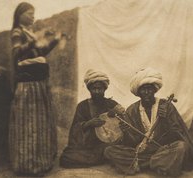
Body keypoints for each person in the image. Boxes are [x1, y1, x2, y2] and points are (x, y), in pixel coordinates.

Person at [104, 67, 193, 176]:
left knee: (181, 147)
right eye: (143, 89)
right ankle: (157, 163)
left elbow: (176, 134)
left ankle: (144, 164)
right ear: (138, 92)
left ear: (155, 90)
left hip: (162, 149)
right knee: (110, 150)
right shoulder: (132, 110)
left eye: (149, 89)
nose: (146, 92)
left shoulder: (166, 106)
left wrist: (165, 120)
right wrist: (126, 132)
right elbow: (132, 142)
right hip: (142, 151)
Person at [9, 2, 60, 176]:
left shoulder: (29, 33)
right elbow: (16, 53)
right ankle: (28, 165)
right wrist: (31, 42)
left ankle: (41, 161)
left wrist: (55, 41)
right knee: (29, 123)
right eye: (29, 13)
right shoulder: (18, 32)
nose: (33, 16)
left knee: (40, 123)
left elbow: (40, 53)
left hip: (39, 83)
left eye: (34, 13)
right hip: (28, 85)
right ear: (20, 14)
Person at [59, 69, 119, 168]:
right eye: (94, 89)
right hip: (88, 146)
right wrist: (88, 124)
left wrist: (115, 115)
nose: (97, 92)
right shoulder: (82, 106)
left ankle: (101, 157)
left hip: (107, 144)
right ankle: (101, 158)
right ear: (89, 89)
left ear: (105, 89)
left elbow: (124, 123)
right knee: (66, 157)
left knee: (112, 149)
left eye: (100, 89)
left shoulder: (112, 104)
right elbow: (75, 130)